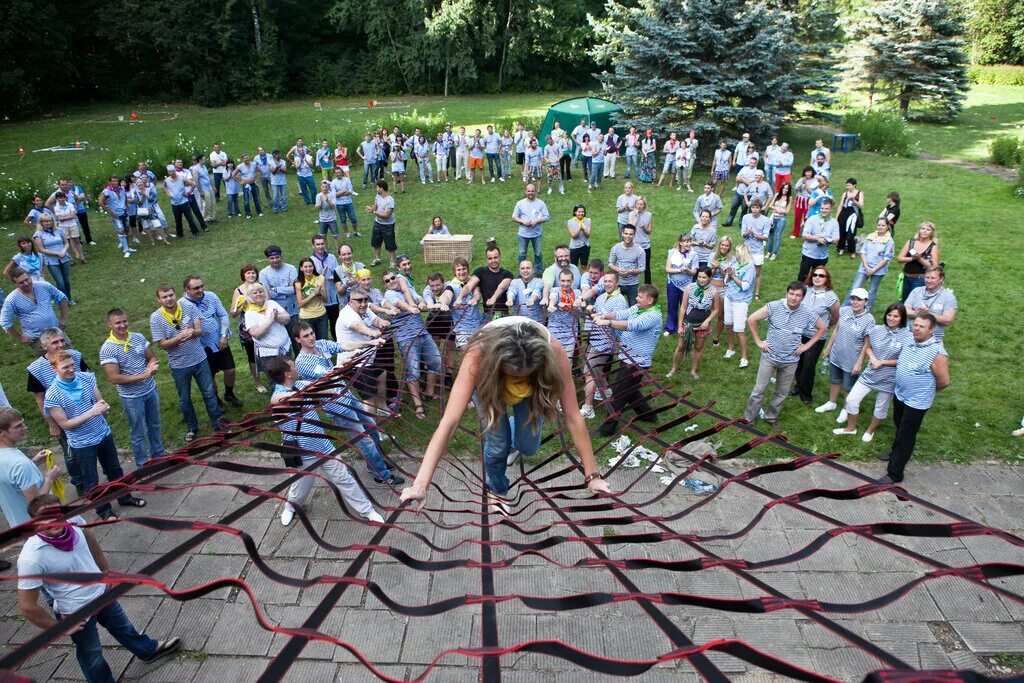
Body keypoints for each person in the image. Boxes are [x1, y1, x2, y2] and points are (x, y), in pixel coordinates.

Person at [399, 317, 611, 511]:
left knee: (529, 446)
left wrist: (592, 476)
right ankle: (497, 489)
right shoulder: (477, 355)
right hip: (490, 386)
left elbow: (573, 416)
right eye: (513, 376)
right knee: (498, 444)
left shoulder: (553, 351)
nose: (517, 381)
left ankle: (511, 425)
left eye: (523, 376)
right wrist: (421, 484)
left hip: (535, 387)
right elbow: (450, 421)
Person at [18, 495, 181, 681]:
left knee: (124, 627)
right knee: (92, 654)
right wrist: (58, 628)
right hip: (76, 613)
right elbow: (27, 607)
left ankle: (148, 651)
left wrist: (105, 570)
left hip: (102, 594)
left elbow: (90, 538)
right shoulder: (31, 557)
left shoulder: (74, 520)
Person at [265, 357, 387, 525]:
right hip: (302, 453)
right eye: (293, 366)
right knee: (300, 490)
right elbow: (285, 399)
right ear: (287, 374)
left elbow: (319, 386)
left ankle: (367, 510)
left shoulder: (301, 385)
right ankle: (290, 507)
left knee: (344, 478)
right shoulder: (278, 398)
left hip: (323, 447)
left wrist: (334, 377)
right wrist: (316, 389)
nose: (296, 367)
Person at [44, 352, 145, 519]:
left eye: (72, 365)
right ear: (54, 368)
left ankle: (124, 497)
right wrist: (91, 413)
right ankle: (103, 510)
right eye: (65, 367)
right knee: (91, 480)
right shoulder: (53, 395)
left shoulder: (86, 378)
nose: (71, 370)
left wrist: (103, 407)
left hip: (103, 434)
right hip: (82, 444)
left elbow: (99, 401)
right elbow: (65, 425)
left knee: (114, 470)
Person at [743, 282, 826, 431]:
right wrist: (758, 341)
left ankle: (771, 417)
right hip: (769, 356)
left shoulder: (807, 313)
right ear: (787, 293)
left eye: (798, 295)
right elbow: (751, 319)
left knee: (782, 392)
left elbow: (823, 328)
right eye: (791, 294)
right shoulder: (774, 306)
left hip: (791, 360)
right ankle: (749, 419)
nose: (793, 298)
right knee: (759, 390)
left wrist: (806, 346)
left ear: (803, 297)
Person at [878, 313, 950, 484]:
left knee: (906, 435)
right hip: (900, 394)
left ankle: (895, 473)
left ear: (931, 330)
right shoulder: (909, 340)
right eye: (915, 325)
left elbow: (944, 381)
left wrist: (926, 390)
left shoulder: (937, 353)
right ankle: (895, 453)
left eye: (921, 326)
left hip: (917, 402)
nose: (916, 328)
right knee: (898, 425)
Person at [149, 284, 224, 442]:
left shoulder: (188, 306)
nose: (169, 299)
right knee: (185, 398)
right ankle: (192, 427)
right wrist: (180, 337)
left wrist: (192, 332)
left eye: (171, 295)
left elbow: (199, 330)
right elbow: (162, 344)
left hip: (199, 358)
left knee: (209, 392)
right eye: (164, 297)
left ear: (175, 294)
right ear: (159, 299)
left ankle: (218, 423)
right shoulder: (156, 318)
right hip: (179, 365)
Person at [834, 303, 911, 442]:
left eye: (896, 316)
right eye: (889, 315)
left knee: (880, 407)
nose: (891, 318)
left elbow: (904, 360)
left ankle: (870, 431)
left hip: (889, 377)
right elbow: (868, 347)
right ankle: (851, 428)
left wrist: (882, 362)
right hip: (870, 373)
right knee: (851, 400)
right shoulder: (876, 329)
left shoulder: (907, 336)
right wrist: (873, 357)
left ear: (902, 318)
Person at [594, 284, 663, 436]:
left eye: (640, 296)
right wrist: (605, 316)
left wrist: (608, 323)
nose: (636, 298)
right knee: (630, 391)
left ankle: (607, 429)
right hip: (627, 357)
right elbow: (622, 314)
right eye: (637, 295)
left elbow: (632, 325)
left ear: (650, 300)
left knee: (618, 395)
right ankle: (649, 415)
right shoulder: (638, 308)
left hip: (636, 361)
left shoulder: (652, 316)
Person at [99, 309, 164, 468]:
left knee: (155, 424)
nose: (122, 325)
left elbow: (152, 357)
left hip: (150, 390)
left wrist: (152, 366)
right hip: (132, 397)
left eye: (124, 321)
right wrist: (143, 375)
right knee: (138, 431)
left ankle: (159, 454)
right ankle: (143, 463)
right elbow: (114, 378)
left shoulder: (138, 337)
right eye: (118, 323)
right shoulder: (108, 349)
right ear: (110, 324)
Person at [0, 407, 61, 537]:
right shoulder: (21, 464)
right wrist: (50, 478)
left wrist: (34, 461)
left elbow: (11, 479)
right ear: (1, 432)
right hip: (41, 529)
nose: (25, 427)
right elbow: (37, 505)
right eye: (18, 426)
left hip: (18, 526)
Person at [182, 276, 240, 409]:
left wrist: (224, 335)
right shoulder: (182, 305)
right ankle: (217, 400)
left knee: (230, 370)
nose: (201, 290)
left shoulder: (211, 296)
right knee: (210, 375)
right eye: (196, 288)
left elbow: (224, 315)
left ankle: (229, 393)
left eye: (202, 286)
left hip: (219, 341)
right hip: (201, 347)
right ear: (187, 289)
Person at [815, 289, 873, 417]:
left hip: (852, 359)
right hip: (837, 354)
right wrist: (828, 348)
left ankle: (846, 409)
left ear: (866, 302)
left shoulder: (869, 320)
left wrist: (859, 363)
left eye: (859, 300)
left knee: (848, 386)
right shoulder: (844, 310)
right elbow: (837, 330)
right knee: (834, 380)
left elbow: (867, 344)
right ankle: (832, 402)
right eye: (853, 299)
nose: (855, 302)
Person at [335, 286, 392, 416]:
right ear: (350, 301)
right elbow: (358, 326)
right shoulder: (347, 314)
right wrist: (372, 332)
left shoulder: (364, 309)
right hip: (353, 363)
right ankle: (372, 433)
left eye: (365, 300)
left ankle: (383, 409)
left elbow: (375, 320)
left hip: (367, 359)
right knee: (369, 398)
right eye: (359, 301)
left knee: (382, 374)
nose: (363, 304)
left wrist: (382, 322)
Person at [580, 272, 626, 419]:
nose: (607, 284)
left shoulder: (620, 301)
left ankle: (588, 408)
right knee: (596, 371)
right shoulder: (600, 298)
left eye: (610, 282)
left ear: (617, 283)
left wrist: (600, 316)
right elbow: (595, 317)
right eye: (605, 281)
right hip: (594, 340)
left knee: (589, 374)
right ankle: (606, 393)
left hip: (605, 344)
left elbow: (619, 321)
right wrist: (591, 311)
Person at [792, 267, 840, 406]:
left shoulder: (831, 297)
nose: (817, 277)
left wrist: (824, 327)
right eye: (815, 274)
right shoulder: (806, 290)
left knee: (809, 364)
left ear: (826, 279)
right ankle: (798, 386)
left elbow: (835, 317)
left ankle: (806, 394)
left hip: (816, 337)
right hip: (800, 333)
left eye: (821, 275)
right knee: (798, 361)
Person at [668, 267, 720, 380]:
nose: (701, 280)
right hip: (688, 323)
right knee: (681, 346)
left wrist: (707, 321)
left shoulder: (714, 292)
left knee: (698, 347)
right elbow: (683, 307)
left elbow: (716, 309)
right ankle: (674, 369)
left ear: (709, 278)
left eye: (704, 277)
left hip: (703, 325)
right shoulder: (689, 288)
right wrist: (680, 325)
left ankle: (693, 370)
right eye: (699, 277)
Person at [1, 269, 68, 352]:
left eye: (26, 279)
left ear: (30, 277)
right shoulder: (11, 300)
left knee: (70, 358)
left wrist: (64, 318)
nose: (26, 283)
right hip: (39, 340)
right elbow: (5, 322)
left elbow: (62, 297)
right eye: (21, 282)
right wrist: (20, 338)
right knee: (48, 364)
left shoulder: (44, 286)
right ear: (15, 284)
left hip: (57, 333)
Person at [229, 264, 267, 394]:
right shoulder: (238, 291)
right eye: (248, 273)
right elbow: (233, 313)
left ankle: (273, 375)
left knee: (268, 350)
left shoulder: (260, 286)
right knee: (253, 356)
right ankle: (258, 382)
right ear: (243, 275)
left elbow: (268, 301)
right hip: (247, 327)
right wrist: (242, 306)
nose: (251, 275)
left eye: (253, 273)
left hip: (263, 322)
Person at [243, 282, 291, 375]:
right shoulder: (249, 313)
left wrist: (276, 317)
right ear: (249, 296)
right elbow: (256, 334)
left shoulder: (272, 303)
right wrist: (270, 320)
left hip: (285, 348)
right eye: (255, 293)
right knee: (276, 378)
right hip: (268, 354)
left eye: (260, 291)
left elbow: (287, 318)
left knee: (290, 373)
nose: (258, 294)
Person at [847, 218, 895, 312]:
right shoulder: (870, 236)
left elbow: (886, 258)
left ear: (887, 226)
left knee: (872, 291)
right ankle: (846, 308)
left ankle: (866, 311)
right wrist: (866, 266)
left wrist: (873, 270)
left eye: (883, 225)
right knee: (855, 287)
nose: (880, 227)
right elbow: (862, 251)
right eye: (879, 225)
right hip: (865, 267)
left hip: (878, 270)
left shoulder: (889, 240)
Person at [722, 244, 756, 368]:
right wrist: (728, 275)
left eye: (736, 252)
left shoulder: (750, 267)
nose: (734, 254)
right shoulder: (735, 264)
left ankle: (744, 357)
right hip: (729, 297)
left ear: (742, 254)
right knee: (728, 324)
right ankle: (731, 349)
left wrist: (733, 276)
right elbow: (725, 282)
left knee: (739, 330)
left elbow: (745, 286)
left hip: (740, 302)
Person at [904, 266, 957, 342]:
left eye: (932, 278)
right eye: (927, 277)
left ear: (941, 279)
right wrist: (917, 313)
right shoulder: (916, 291)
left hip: (933, 340)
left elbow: (947, 320)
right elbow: (905, 309)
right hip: (910, 336)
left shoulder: (948, 297)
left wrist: (928, 314)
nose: (929, 281)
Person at [259, 245, 299, 344]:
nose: (275, 260)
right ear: (267, 259)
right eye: (272, 258)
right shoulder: (263, 273)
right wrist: (285, 290)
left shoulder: (291, 269)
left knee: (296, 339)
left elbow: (294, 290)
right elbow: (267, 294)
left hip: (292, 310)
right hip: (275, 314)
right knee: (280, 341)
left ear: (281, 256)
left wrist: (276, 289)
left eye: (277, 257)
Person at [465, 241, 513, 317]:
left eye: (495, 257)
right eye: (490, 258)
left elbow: (502, 287)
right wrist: (460, 298)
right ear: (487, 259)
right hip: (487, 314)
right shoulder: (480, 272)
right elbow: (469, 285)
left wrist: (493, 298)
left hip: (504, 314)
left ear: (500, 257)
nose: (493, 261)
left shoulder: (507, 274)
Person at [31, 215, 73, 300]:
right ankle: (63, 300)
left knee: (66, 281)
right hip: (51, 261)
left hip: (64, 258)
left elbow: (66, 243)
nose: (48, 223)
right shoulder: (38, 234)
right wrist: (57, 253)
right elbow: (41, 249)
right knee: (60, 282)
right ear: (41, 222)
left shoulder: (59, 230)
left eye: (50, 221)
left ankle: (69, 298)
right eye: (45, 221)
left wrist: (64, 251)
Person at [896, 222, 940, 302]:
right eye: (923, 229)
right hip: (906, 277)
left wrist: (920, 259)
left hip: (920, 279)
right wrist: (912, 259)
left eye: (928, 229)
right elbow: (899, 258)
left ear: (932, 232)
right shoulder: (911, 242)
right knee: (903, 302)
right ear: (919, 230)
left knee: (915, 303)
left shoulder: (933, 246)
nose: (925, 231)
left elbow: (934, 267)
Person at [664, 233, 698, 335]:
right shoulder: (672, 252)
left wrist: (687, 270)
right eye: (686, 241)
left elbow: (694, 272)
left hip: (687, 284)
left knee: (686, 306)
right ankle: (670, 327)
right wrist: (679, 270)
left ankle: (685, 326)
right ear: (680, 243)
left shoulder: (694, 255)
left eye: (690, 241)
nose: (689, 243)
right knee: (672, 305)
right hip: (673, 283)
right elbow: (668, 269)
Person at [797, 198, 839, 282]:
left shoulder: (834, 222)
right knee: (802, 278)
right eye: (822, 208)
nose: (824, 210)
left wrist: (827, 239)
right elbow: (804, 235)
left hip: (822, 256)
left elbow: (836, 239)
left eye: (826, 209)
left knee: (817, 280)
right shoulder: (812, 219)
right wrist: (817, 238)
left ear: (831, 209)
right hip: (808, 254)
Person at [512, 184, 551, 273]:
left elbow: (547, 217)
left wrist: (537, 221)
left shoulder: (541, 203)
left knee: (538, 254)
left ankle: (538, 271)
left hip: (536, 234)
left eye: (532, 191)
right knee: (522, 254)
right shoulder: (520, 203)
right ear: (525, 191)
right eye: (528, 191)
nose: (530, 193)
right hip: (523, 234)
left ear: (535, 191)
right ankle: (521, 272)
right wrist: (523, 222)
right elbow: (514, 217)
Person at [546, 269, 583, 358]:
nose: (565, 284)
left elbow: (579, 315)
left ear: (572, 281)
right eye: (563, 281)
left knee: (567, 361)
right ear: (559, 281)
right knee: (552, 362)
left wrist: (571, 307)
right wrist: (552, 305)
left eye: (568, 281)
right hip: (554, 333)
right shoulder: (555, 290)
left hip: (570, 334)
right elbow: (553, 298)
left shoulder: (577, 293)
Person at [98, 175, 136, 256]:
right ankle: (126, 250)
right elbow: (100, 202)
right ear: (110, 182)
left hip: (124, 213)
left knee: (126, 230)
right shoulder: (107, 191)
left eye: (116, 181)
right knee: (120, 230)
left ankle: (128, 247)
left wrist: (126, 206)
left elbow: (125, 198)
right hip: (116, 214)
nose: (115, 182)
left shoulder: (121, 189)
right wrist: (110, 212)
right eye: (113, 181)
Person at [607, 225, 645, 306]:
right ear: (622, 234)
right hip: (618, 283)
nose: (628, 236)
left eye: (631, 234)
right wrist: (618, 270)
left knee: (633, 308)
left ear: (634, 235)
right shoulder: (616, 248)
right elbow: (610, 263)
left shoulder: (640, 251)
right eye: (626, 233)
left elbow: (642, 268)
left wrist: (630, 272)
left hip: (633, 285)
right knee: (615, 307)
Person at [740, 200, 771, 300]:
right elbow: (742, 234)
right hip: (747, 249)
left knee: (757, 273)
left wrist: (754, 233)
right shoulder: (746, 217)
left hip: (758, 250)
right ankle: (743, 289)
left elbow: (766, 237)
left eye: (757, 207)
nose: (755, 210)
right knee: (743, 270)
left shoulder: (766, 220)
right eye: (753, 207)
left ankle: (757, 293)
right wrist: (748, 232)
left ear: (760, 208)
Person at [367, 180, 398, 268]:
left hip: (388, 225)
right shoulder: (378, 196)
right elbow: (375, 206)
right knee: (376, 242)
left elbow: (386, 215)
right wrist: (371, 208)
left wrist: (373, 211)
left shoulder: (390, 200)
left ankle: (392, 261)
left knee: (390, 244)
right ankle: (377, 259)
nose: (376, 189)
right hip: (377, 223)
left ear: (381, 188)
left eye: (377, 187)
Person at [722, 157, 758, 227]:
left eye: (754, 163)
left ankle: (741, 223)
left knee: (744, 209)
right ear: (749, 162)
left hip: (748, 194)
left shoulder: (756, 172)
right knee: (733, 207)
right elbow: (737, 178)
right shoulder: (744, 168)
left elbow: (749, 183)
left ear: (756, 164)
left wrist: (742, 178)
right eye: (751, 162)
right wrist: (744, 180)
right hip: (739, 192)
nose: (752, 164)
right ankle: (729, 221)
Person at [836, 178, 865, 258]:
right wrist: (837, 217)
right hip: (844, 213)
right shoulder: (845, 194)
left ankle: (852, 251)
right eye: (847, 185)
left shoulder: (860, 193)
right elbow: (840, 206)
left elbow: (861, 205)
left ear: (854, 185)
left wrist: (853, 200)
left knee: (850, 233)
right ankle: (841, 248)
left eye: (849, 185)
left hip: (853, 215)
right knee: (841, 232)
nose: (848, 187)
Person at [629, 197, 654, 285]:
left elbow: (649, 231)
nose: (639, 206)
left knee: (646, 267)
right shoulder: (631, 214)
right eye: (638, 204)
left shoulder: (649, 215)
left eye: (641, 204)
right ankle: (632, 284)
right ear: (635, 204)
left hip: (645, 245)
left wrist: (644, 227)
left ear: (644, 206)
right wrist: (636, 216)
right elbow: (630, 228)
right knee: (633, 266)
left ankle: (648, 286)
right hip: (634, 245)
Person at [766, 182, 792, 261]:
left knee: (778, 236)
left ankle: (775, 253)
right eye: (784, 188)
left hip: (781, 219)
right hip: (773, 217)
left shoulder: (789, 198)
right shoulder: (777, 195)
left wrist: (780, 211)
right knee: (770, 234)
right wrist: (777, 209)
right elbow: (770, 205)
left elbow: (787, 211)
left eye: (787, 189)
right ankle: (769, 251)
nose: (785, 190)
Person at [791, 167, 818, 239]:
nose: (808, 174)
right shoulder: (801, 179)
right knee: (797, 216)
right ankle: (795, 233)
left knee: (807, 217)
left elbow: (811, 192)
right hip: (799, 199)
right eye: (806, 172)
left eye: (809, 172)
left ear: (812, 172)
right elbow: (796, 188)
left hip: (808, 200)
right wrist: (801, 182)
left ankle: (806, 233)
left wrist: (805, 183)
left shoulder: (815, 181)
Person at [566, 204, 592, 269]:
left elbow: (588, 235)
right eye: (579, 212)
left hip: (585, 246)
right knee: (574, 267)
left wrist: (583, 230)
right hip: (574, 247)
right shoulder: (570, 222)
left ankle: (583, 278)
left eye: (582, 212)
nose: (581, 213)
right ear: (575, 212)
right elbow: (573, 236)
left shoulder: (588, 220)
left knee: (584, 266)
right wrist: (579, 229)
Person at [290, 139, 316, 205]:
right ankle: (307, 201)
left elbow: (312, 165)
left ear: (304, 151)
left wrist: (306, 160)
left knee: (313, 188)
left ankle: (314, 200)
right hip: (301, 175)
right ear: (298, 152)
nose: (301, 151)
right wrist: (300, 163)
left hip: (309, 175)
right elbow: (297, 168)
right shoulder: (296, 158)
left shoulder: (308, 156)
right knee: (304, 190)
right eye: (300, 151)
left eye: (302, 150)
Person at [268, 149, 289, 214]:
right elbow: (273, 172)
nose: (279, 155)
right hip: (274, 182)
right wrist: (277, 167)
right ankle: (275, 209)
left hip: (283, 181)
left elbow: (285, 171)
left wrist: (279, 168)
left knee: (283, 196)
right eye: (278, 154)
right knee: (275, 197)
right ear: (274, 155)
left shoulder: (283, 161)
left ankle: (284, 208)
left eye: (279, 154)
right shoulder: (270, 162)